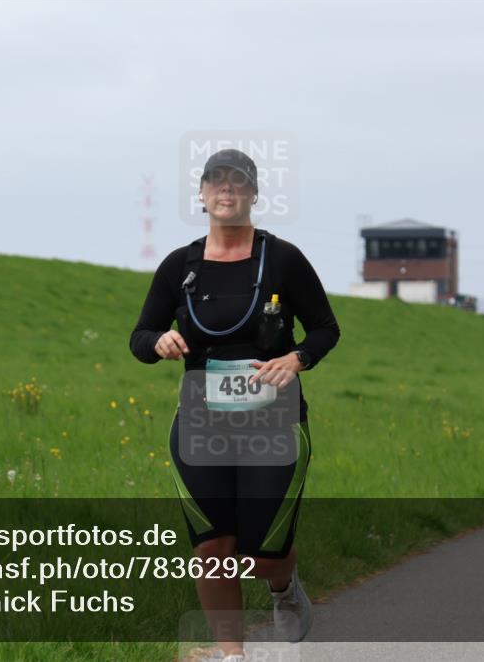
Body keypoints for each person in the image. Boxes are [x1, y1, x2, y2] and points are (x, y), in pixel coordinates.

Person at [129, 149, 339, 660]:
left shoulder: (283, 259)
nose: (226, 189)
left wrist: (297, 359)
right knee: (212, 550)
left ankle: (282, 584)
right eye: (216, 181)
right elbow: (140, 336)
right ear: (201, 195)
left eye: (238, 182)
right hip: (200, 421)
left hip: (274, 419)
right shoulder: (179, 266)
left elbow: (325, 329)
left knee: (261, 555)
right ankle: (231, 655)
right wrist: (158, 342)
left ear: (254, 194)